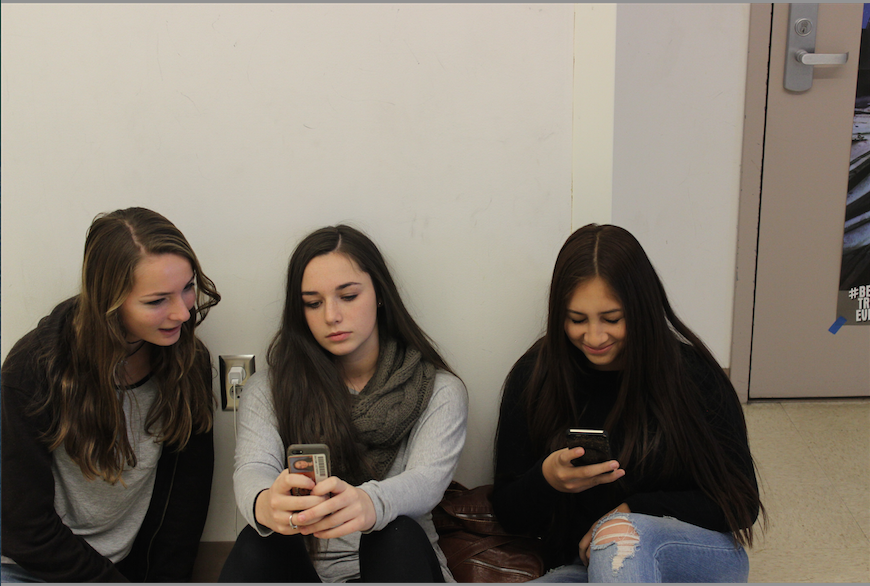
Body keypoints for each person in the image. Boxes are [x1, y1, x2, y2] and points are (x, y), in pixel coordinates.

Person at [492, 223, 764, 583]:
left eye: (612, 319)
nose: (594, 336)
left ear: (641, 309)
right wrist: (547, 479)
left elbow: (740, 504)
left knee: (617, 537)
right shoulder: (535, 378)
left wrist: (631, 512)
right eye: (576, 320)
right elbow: (508, 514)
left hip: (693, 558)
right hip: (585, 569)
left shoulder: (692, 376)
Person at [218, 225, 468, 583]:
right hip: (309, 570)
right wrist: (265, 504)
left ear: (379, 294)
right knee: (257, 542)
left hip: (400, 566)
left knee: (392, 533)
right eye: (313, 303)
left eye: (348, 296)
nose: (331, 316)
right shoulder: (268, 389)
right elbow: (253, 468)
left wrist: (369, 504)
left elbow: (426, 482)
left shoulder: (438, 390)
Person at [1, 207, 221, 582]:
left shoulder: (187, 362)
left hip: (129, 569)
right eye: (156, 301)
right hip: (30, 567)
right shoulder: (32, 370)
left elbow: (183, 507)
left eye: (187, 288)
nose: (183, 314)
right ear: (110, 302)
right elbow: (23, 525)